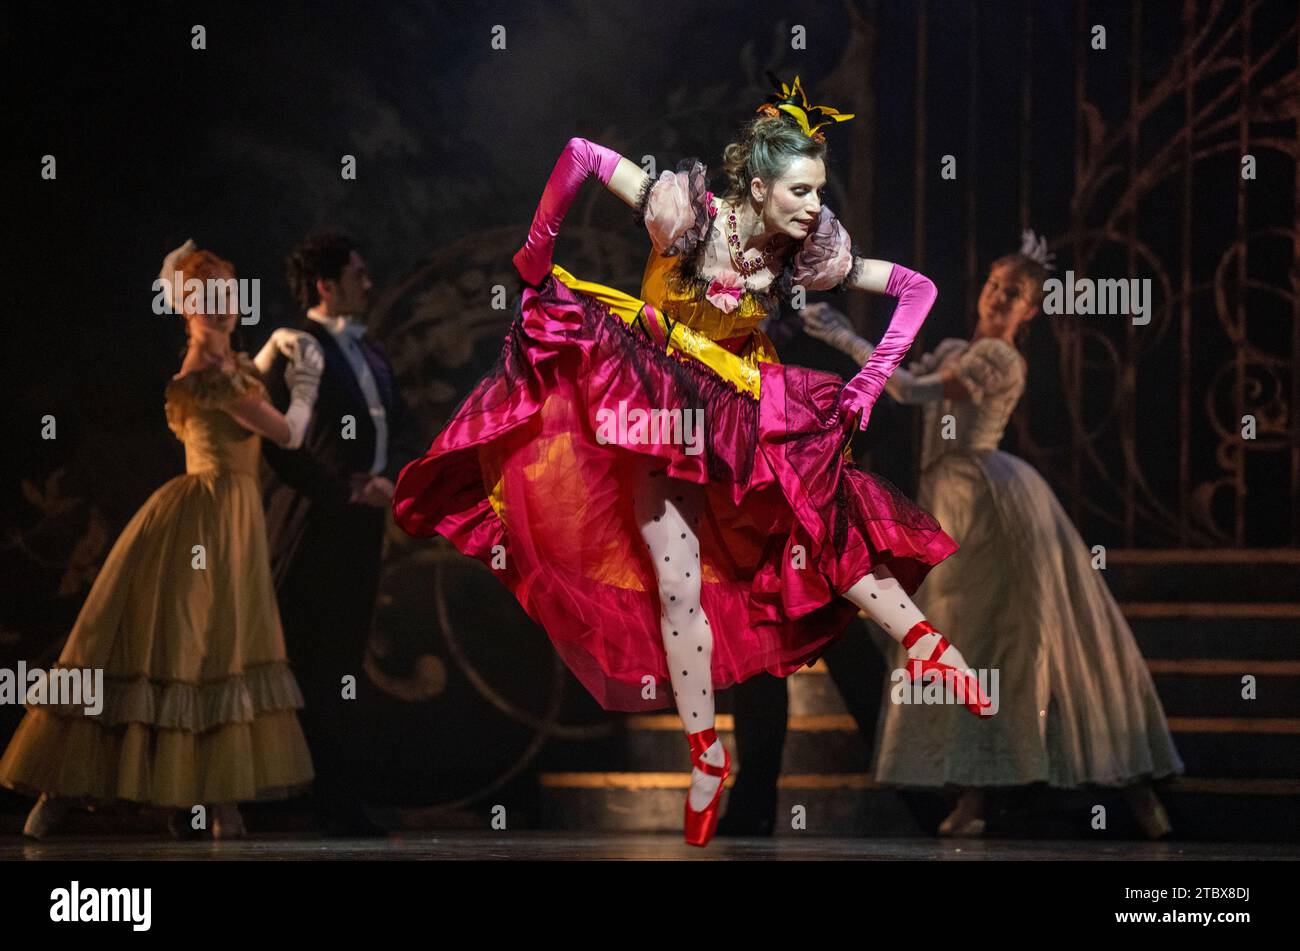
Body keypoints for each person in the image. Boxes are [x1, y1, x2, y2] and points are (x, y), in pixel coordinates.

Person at [393, 74, 992, 848]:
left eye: (818, 190)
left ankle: (930, 647)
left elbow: (917, 288)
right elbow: (578, 154)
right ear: (756, 184)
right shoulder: (681, 211)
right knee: (678, 585)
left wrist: (872, 379)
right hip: (652, 391)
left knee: (820, 522)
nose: (815, 205)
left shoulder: (806, 249)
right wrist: (537, 247)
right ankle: (705, 754)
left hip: (743, 401)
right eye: (801, 190)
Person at [802, 231, 1185, 838]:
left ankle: (1132, 792)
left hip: (989, 502)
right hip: (948, 500)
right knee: (966, 642)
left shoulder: (998, 359)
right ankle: (974, 797)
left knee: (1023, 641)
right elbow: (904, 375)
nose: (998, 298)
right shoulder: (959, 346)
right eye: (994, 286)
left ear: (1030, 310)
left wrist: (841, 336)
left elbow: (905, 389)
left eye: (1014, 295)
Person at [0, 241, 320, 839]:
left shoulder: (227, 368)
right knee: (179, 650)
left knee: (221, 649)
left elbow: (248, 379)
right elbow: (286, 434)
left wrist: (275, 347)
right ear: (187, 306)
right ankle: (63, 793)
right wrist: (304, 385)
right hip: (204, 518)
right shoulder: (204, 375)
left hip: (232, 521)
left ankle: (218, 801)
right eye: (207, 299)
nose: (222, 307)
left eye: (227, 295)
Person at [262, 230, 421, 836]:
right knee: (308, 662)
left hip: (360, 525)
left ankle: (337, 797)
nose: (369, 282)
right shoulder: (293, 348)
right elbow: (283, 449)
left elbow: (402, 427)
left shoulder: (372, 353)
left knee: (344, 662)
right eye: (358, 274)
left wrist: (391, 481)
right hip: (311, 526)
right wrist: (348, 487)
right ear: (325, 285)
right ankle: (302, 798)